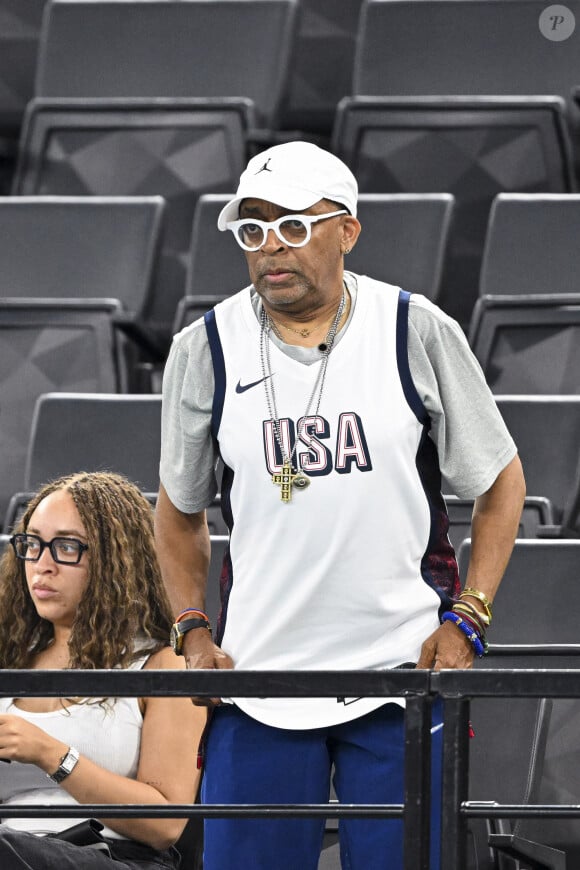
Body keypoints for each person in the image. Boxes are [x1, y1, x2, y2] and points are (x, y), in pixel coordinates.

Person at [155, 141, 526, 870]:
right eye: (253, 229)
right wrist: (192, 630)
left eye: (293, 226)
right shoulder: (204, 347)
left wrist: (469, 618)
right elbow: (178, 511)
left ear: (347, 230)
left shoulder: (415, 329)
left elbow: (500, 483)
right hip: (260, 679)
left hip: (403, 681)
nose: (271, 250)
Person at [0, 471, 206, 869]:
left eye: (66, 547)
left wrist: (50, 754)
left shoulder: (162, 664)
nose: (42, 565)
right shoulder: (11, 658)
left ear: (117, 559)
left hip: (114, 856)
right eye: (32, 544)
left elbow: (165, 826)